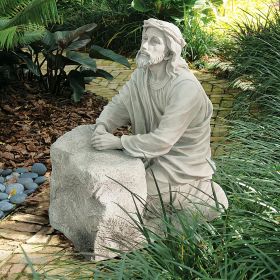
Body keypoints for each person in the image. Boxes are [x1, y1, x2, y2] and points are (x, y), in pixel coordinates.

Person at [91, 18, 228, 221]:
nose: (145, 45)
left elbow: (164, 139)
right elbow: (121, 104)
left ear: (170, 51)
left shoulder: (185, 88)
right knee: (117, 187)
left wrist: (118, 142)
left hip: (180, 163)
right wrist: (102, 125)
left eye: (155, 41)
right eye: (144, 38)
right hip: (150, 154)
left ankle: (200, 193)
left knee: (136, 194)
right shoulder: (142, 74)